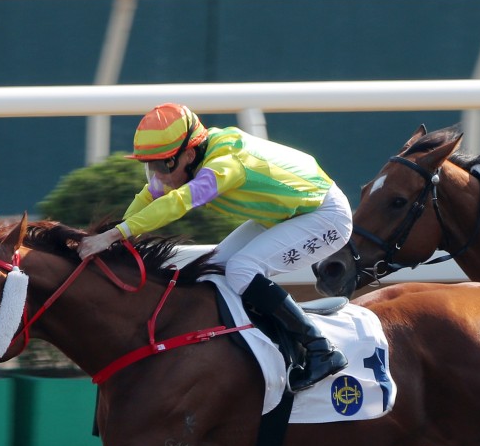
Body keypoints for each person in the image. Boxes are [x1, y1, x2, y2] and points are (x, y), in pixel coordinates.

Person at [79, 103, 351, 391]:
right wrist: (113, 233)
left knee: (241, 269)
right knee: (214, 270)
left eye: (162, 165)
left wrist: (114, 236)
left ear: (190, 153)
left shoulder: (225, 164)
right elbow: (150, 196)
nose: (157, 174)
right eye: (150, 165)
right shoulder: (184, 162)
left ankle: (321, 348)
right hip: (284, 215)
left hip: (325, 216)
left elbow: (177, 203)